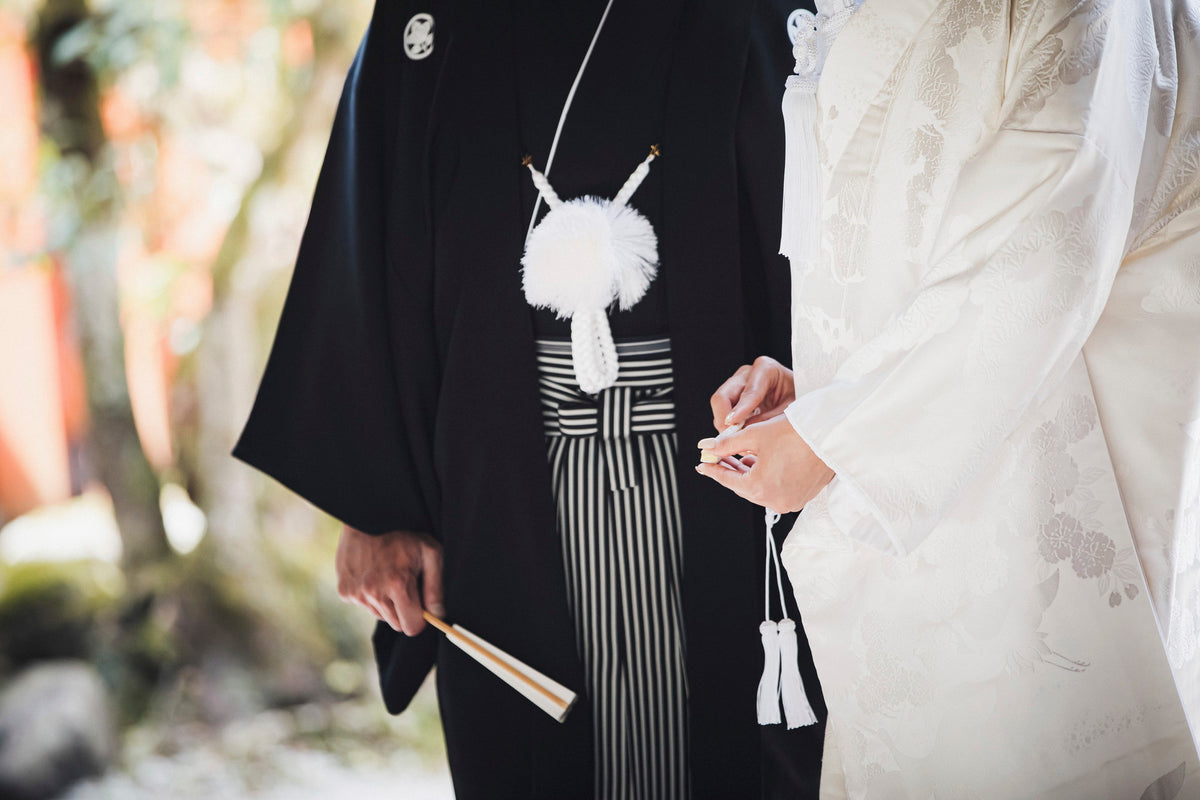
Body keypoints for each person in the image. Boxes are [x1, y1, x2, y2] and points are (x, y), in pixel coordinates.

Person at [235, 1, 826, 797]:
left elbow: (832, 216)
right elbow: (372, 230)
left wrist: (808, 374)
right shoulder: (432, 17)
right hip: (500, 472)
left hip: (729, 458)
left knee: (735, 745)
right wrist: (375, 504)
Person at [698, 0, 1200, 796]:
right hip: (909, 552)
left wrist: (838, 435)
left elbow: (1040, 256)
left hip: (1046, 553)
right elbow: (903, 246)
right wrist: (821, 390)